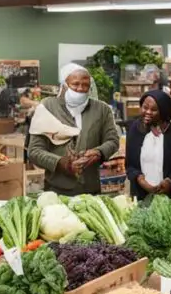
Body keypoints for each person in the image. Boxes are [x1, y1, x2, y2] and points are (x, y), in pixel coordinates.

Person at [27, 64, 120, 195]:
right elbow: (34, 151)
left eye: (85, 85)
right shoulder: (48, 107)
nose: (80, 89)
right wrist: (61, 163)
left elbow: (113, 140)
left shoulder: (101, 109)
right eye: (75, 84)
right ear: (64, 85)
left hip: (90, 189)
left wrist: (98, 152)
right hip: (57, 189)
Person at [126, 90, 171, 203]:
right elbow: (130, 165)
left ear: (164, 111)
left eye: (154, 110)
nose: (148, 112)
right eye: (145, 107)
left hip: (170, 198)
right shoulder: (135, 129)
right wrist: (140, 180)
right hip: (142, 197)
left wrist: (170, 181)